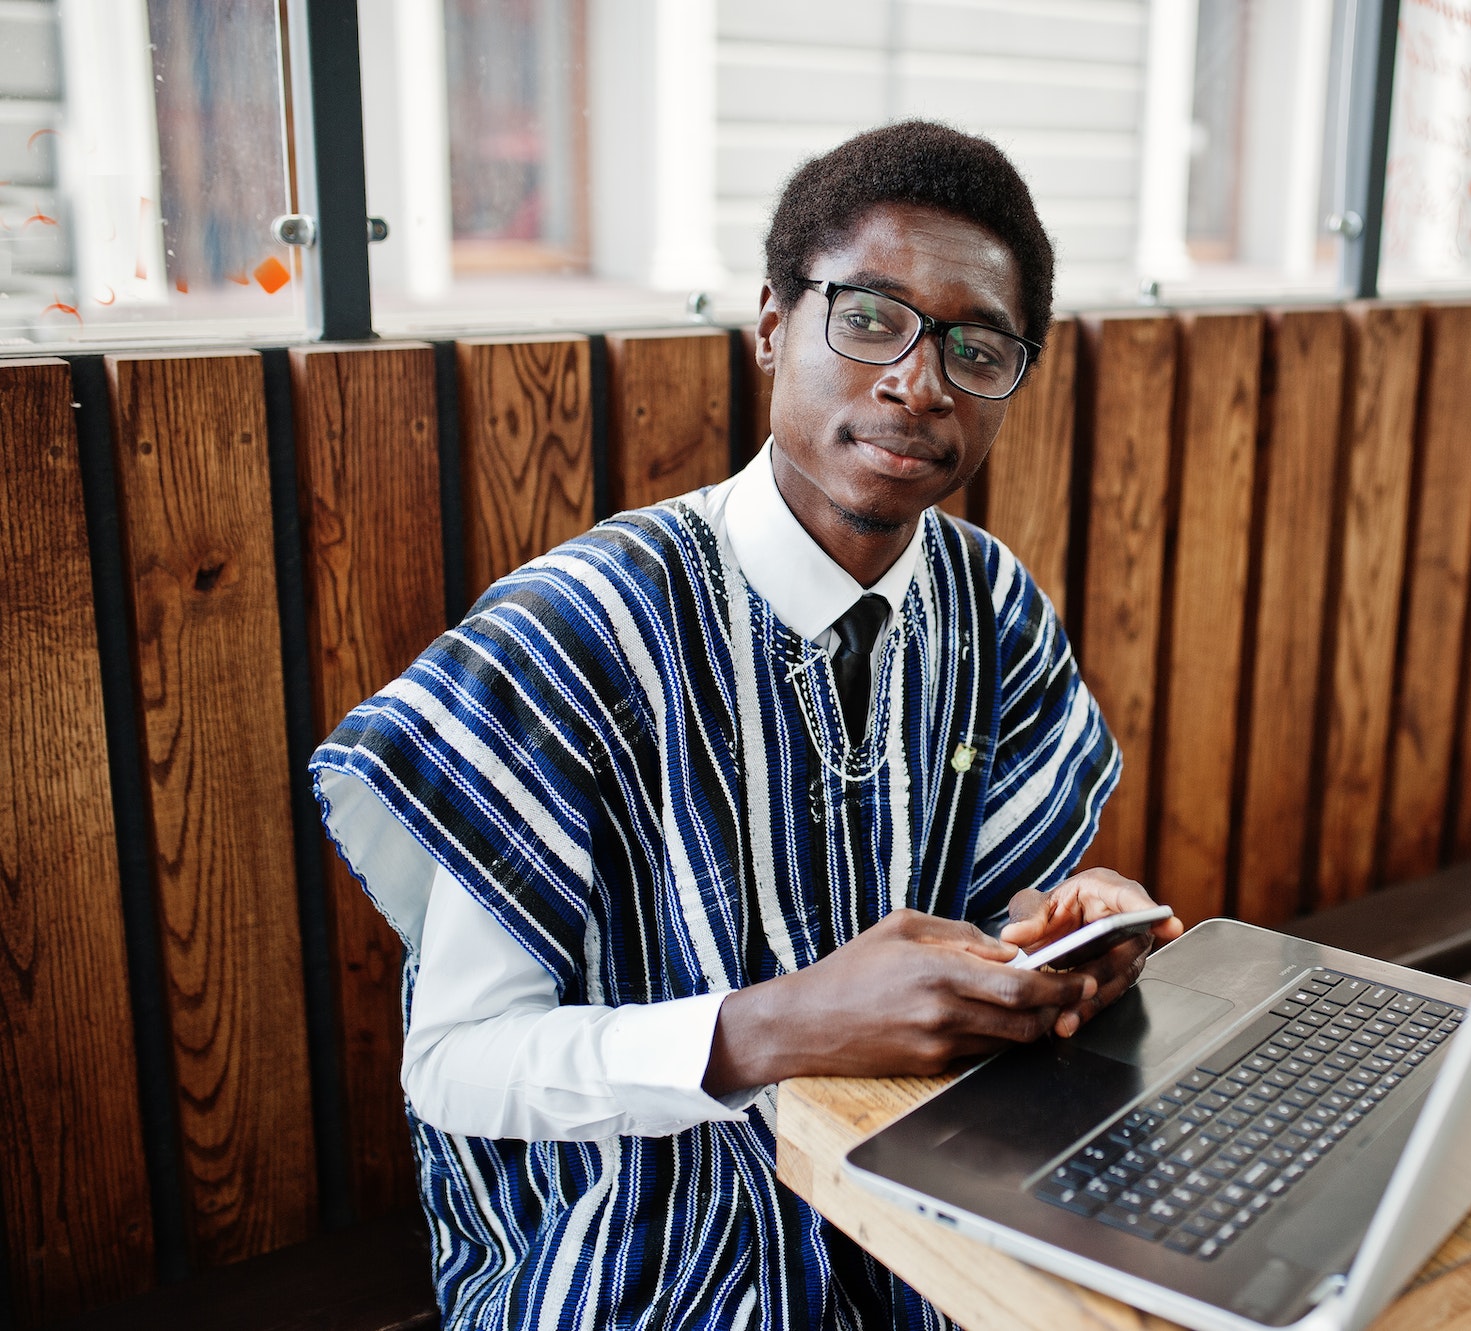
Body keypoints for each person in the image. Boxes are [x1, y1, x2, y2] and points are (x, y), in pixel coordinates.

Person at [310, 119, 1183, 1330]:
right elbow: (453, 1063)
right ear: (773, 325)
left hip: (920, 1212)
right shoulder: (577, 629)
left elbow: (990, 929)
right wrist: (769, 1027)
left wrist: (1056, 937)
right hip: (646, 1250)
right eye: (869, 318)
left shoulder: (994, 609)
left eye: (978, 348)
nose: (918, 383)